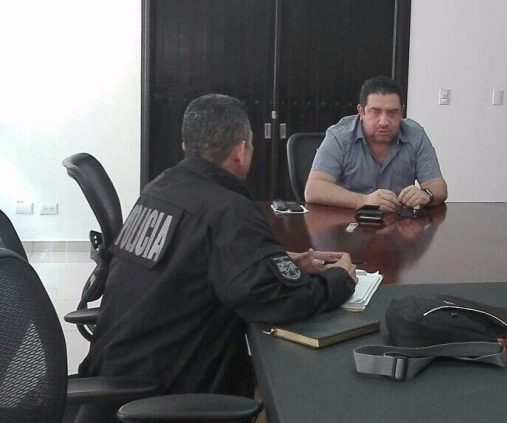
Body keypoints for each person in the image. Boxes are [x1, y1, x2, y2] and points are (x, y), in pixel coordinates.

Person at [76, 94, 357, 422]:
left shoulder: (161, 187)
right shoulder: (229, 211)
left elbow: (195, 262)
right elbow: (279, 301)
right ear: (240, 151)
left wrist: (277, 263)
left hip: (118, 375)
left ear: (186, 145)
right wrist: (340, 278)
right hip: (166, 395)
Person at [304, 75, 447, 212]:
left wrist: (427, 195)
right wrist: (364, 201)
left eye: (392, 113)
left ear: (401, 112)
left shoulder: (416, 136)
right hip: (348, 220)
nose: (383, 122)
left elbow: (438, 186)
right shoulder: (339, 136)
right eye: (375, 112)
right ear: (361, 112)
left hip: (398, 222)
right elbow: (314, 189)